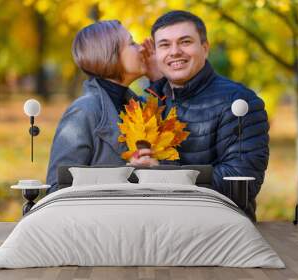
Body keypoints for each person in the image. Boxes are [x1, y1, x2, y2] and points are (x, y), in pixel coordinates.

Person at [132, 10, 269, 220]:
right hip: (158, 230)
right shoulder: (150, 104)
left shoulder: (239, 102)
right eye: (165, 45)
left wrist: (162, 174)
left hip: (219, 232)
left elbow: (242, 183)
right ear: (156, 54)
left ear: (205, 48)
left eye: (185, 42)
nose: (175, 51)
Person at [46, 20, 150, 194]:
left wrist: (158, 76)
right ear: (110, 54)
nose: (141, 48)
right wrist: (128, 176)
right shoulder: (83, 113)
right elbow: (57, 188)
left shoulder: (139, 107)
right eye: (132, 43)